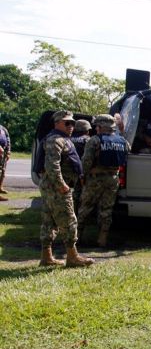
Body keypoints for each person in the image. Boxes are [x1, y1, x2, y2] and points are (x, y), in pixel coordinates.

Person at [36, 110, 93, 267]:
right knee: (69, 220)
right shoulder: (56, 140)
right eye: (67, 123)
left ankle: (46, 257)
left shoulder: (61, 138)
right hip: (57, 188)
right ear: (57, 123)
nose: (71, 126)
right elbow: (51, 166)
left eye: (73, 123)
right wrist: (62, 185)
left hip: (51, 186)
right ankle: (72, 257)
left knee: (49, 221)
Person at [77, 114, 129, 248]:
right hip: (113, 179)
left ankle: (76, 238)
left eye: (96, 126)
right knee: (106, 209)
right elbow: (127, 152)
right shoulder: (123, 141)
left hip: (95, 179)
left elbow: (86, 161)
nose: (95, 128)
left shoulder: (94, 140)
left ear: (100, 127)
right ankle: (102, 239)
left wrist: (82, 175)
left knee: (85, 207)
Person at [71, 119, 92, 211]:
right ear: (87, 130)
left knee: (73, 192)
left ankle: (72, 211)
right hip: (83, 170)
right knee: (83, 193)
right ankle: (80, 214)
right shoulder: (88, 140)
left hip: (70, 170)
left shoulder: (68, 138)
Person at [0, 119, 11, 201]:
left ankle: (0, 187)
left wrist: (8, 152)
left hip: (3, 153)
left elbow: (8, 140)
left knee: (2, 172)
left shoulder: (3, 128)